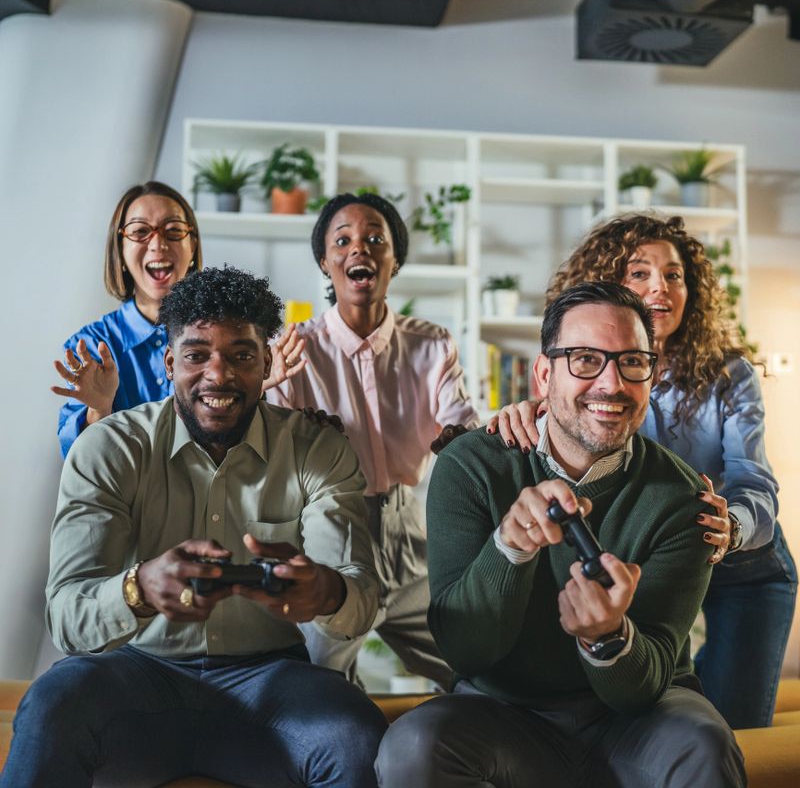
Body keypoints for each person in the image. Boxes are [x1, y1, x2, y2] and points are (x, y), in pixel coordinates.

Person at [3, 267, 386, 788]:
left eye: (241, 355)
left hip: (271, 680)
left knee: (355, 735)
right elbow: (68, 616)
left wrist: (326, 591)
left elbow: (362, 595)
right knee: (52, 704)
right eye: (196, 354)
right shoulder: (110, 448)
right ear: (169, 363)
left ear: (267, 363)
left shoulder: (316, 449)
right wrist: (138, 589)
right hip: (138, 674)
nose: (218, 375)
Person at [376, 281, 746, 788]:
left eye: (631, 362)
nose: (611, 383)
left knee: (705, 745)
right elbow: (463, 652)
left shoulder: (685, 499)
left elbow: (642, 688)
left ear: (652, 375)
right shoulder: (471, 466)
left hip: (639, 723)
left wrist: (608, 638)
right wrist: (509, 547)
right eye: (585, 359)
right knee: (413, 747)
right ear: (544, 374)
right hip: (503, 713)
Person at [490, 214, 796, 729]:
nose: (660, 287)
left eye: (674, 275)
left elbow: (754, 480)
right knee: (644, 709)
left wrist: (732, 525)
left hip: (742, 563)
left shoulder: (729, 374)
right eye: (639, 273)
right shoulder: (582, 377)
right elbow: (566, 439)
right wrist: (523, 414)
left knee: (733, 727)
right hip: (652, 555)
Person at [265, 192, 479, 688]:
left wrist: (461, 440)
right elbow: (269, 453)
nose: (359, 248)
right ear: (325, 262)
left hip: (410, 533)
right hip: (331, 532)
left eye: (375, 239)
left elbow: (463, 430)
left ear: (394, 261)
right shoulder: (294, 349)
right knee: (321, 686)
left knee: (473, 669)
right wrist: (289, 417)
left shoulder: (432, 345)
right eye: (342, 241)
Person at [51, 181, 203, 457]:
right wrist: (99, 409)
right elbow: (77, 462)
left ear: (192, 246)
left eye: (173, 230)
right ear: (120, 250)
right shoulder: (91, 345)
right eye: (140, 231)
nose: (158, 244)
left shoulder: (220, 338)